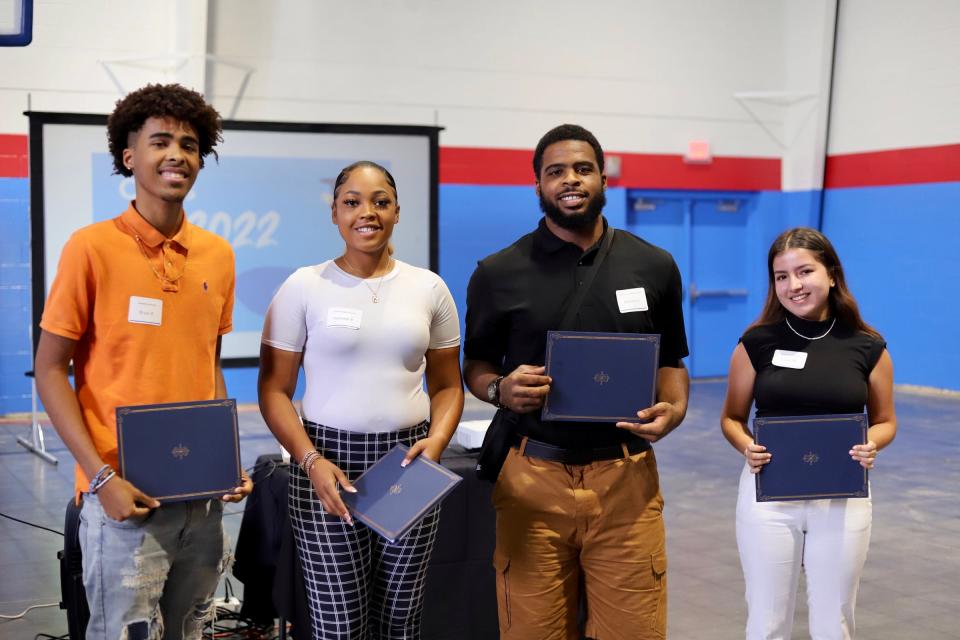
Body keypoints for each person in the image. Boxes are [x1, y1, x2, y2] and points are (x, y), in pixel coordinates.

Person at [34, 83, 252, 640]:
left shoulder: (218, 255)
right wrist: (101, 477)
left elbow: (209, 364)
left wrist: (225, 459)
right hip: (122, 500)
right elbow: (51, 369)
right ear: (129, 157)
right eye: (160, 141)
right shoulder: (90, 248)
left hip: (202, 502)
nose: (177, 153)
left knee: (192, 631)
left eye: (190, 143)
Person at [463, 124, 690, 640]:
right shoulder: (499, 272)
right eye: (556, 171)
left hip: (627, 482)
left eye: (583, 169)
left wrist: (673, 410)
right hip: (531, 481)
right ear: (538, 184)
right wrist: (500, 389)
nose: (571, 180)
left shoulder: (654, 266)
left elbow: (672, 362)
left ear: (602, 178)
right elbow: (474, 365)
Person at [258, 160, 464, 639]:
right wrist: (309, 460)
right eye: (352, 202)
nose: (365, 212)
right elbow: (273, 390)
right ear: (334, 212)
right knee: (339, 626)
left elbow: (449, 386)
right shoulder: (304, 287)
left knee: (401, 620)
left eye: (380, 201)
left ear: (396, 212)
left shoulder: (429, 288)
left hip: (410, 462)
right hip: (326, 465)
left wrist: (434, 445)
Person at [720, 227, 896, 639]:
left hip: (843, 494)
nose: (793, 285)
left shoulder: (867, 346)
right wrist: (748, 447)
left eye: (804, 272)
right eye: (782, 276)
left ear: (831, 274)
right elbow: (731, 417)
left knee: (834, 621)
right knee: (766, 621)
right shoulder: (755, 343)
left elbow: (885, 419)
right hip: (768, 495)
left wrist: (873, 443)